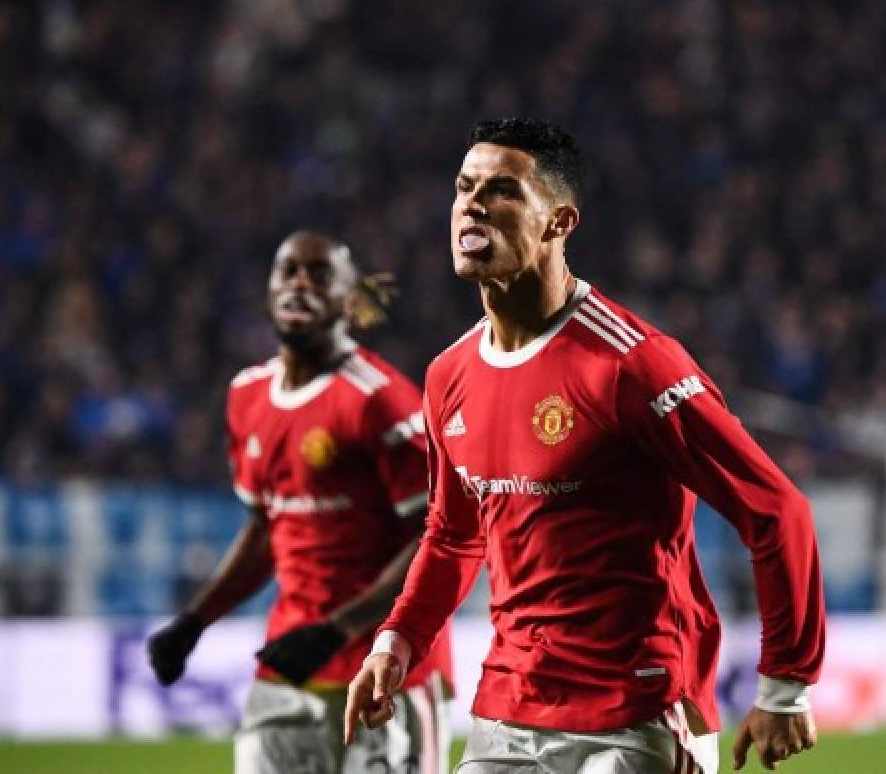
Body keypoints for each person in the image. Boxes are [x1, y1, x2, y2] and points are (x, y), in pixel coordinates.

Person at [344, 119, 825, 774]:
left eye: (504, 190)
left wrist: (786, 687)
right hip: (506, 712)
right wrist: (395, 644)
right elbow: (455, 534)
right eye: (464, 186)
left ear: (559, 221)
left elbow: (776, 510)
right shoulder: (448, 376)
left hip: (638, 713)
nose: (474, 204)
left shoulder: (631, 365)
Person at [148, 230, 454, 773]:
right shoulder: (247, 395)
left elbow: (439, 541)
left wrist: (339, 629)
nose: (300, 284)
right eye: (287, 271)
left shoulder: (381, 402)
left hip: (386, 671)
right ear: (268, 289)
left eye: (318, 274)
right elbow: (265, 530)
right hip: (288, 666)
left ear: (348, 298)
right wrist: (195, 621)